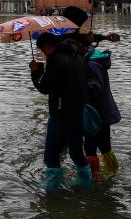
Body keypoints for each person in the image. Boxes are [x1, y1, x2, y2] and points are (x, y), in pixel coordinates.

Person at [29, 31, 92, 190]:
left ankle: (52, 189)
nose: (43, 54)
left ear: (48, 47)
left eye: (43, 51)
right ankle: (86, 183)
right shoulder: (75, 54)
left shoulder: (56, 60)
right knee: (76, 151)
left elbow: (44, 88)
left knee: (51, 153)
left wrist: (36, 72)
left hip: (61, 113)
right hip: (79, 112)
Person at [85, 48, 121, 181]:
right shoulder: (95, 62)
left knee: (90, 147)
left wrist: (77, 86)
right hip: (102, 112)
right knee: (104, 146)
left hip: (95, 114)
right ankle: (112, 171)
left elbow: (95, 87)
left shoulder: (91, 64)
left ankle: (95, 175)